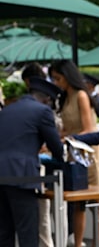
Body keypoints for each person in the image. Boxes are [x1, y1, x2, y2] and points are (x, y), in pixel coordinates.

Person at [49, 59, 99, 247]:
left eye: (58, 78)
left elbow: (90, 129)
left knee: (97, 202)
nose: (55, 82)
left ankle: (97, 243)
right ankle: (78, 244)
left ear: (67, 76)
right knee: (79, 203)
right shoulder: (65, 97)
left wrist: (65, 139)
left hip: (90, 153)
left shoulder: (81, 96)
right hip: (74, 154)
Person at [0, 77, 64, 247]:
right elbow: (56, 148)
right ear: (48, 99)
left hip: (1, 176)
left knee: (4, 233)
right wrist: (62, 157)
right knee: (27, 233)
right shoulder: (42, 111)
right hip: (22, 177)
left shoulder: (7, 109)